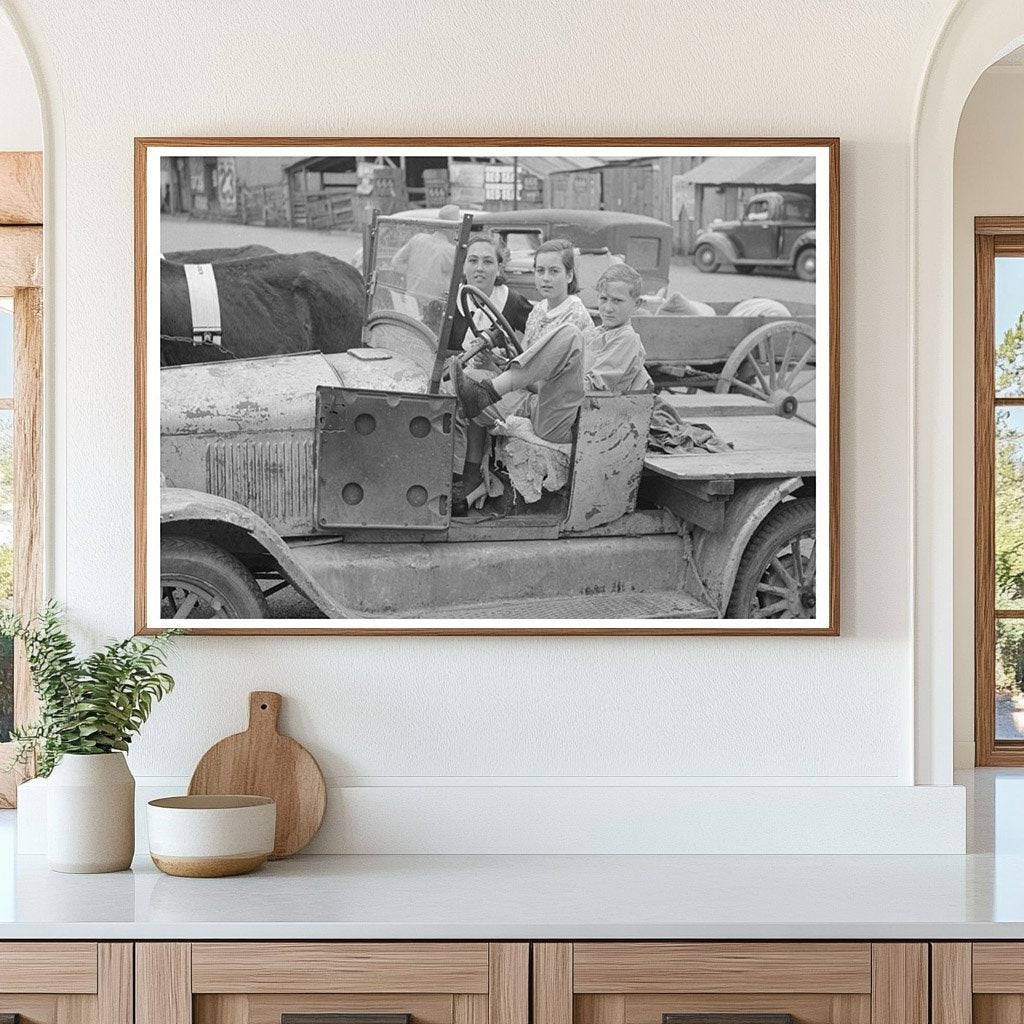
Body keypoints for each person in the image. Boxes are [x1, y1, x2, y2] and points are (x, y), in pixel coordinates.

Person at [451, 239, 588, 512]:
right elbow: (529, 368)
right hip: (532, 398)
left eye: (554, 271)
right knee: (473, 379)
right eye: (540, 271)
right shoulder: (538, 311)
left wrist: (505, 372)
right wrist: (496, 362)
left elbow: (545, 381)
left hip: (560, 406)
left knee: (480, 388)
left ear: (570, 275)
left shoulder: (575, 316)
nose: (545, 278)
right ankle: (471, 478)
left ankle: (485, 394)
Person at [449, 230, 532, 353]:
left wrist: (515, 353)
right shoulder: (449, 300)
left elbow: (540, 334)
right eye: (473, 260)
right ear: (463, 266)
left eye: (487, 261)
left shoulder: (512, 300)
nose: (480, 268)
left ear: (499, 268)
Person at [583, 263, 653, 393]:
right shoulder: (593, 333)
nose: (608, 308)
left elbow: (594, 386)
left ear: (636, 304)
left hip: (594, 409)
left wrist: (551, 387)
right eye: (603, 299)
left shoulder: (627, 339)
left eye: (617, 301)